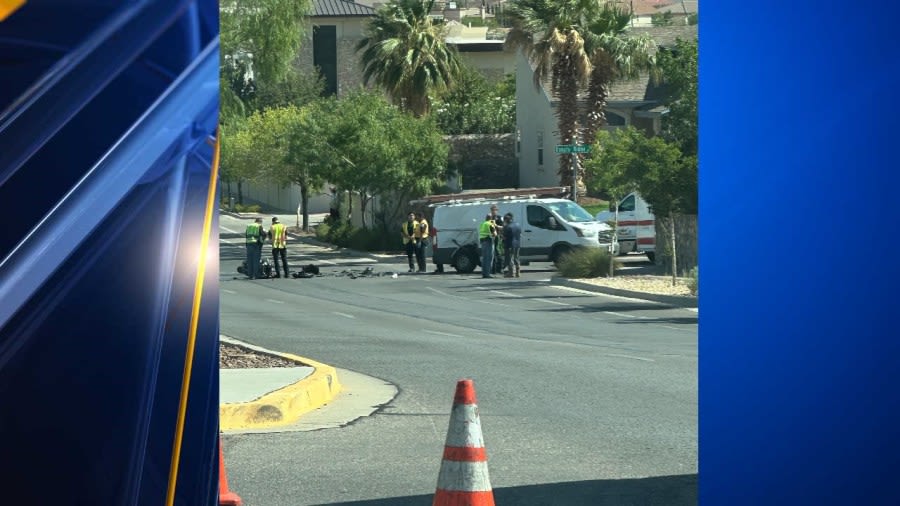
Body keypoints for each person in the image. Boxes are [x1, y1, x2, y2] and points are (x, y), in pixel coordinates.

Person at [502, 212, 522, 278]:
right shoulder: (518, 225)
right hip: (517, 244)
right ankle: (518, 272)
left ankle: (511, 273)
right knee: (516, 257)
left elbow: (504, 237)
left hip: (510, 244)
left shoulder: (507, 227)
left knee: (510, 258)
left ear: (506, 220)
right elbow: (520, 234)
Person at [479, 214, 497, 278]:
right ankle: (487, 274)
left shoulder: (482, 224)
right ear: (491, 218)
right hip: (489, 242)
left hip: (482, 242)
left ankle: (484, 273)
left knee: (484, 258)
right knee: (489, 258)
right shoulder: (490, 224)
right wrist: (494, 227)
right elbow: (495, 234)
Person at [489, 204, 505, 274]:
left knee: (498, 253)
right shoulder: (489, 218)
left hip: (498, 237)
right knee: (492, 253)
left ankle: (500, 268)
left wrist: (496, 226)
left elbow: (503, 227)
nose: (493, 211)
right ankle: (493, 269)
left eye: (495, 210)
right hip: (491, 237)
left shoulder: (499, 217)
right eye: (492, 210)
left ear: (497, 211)